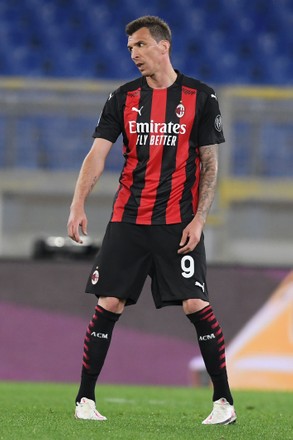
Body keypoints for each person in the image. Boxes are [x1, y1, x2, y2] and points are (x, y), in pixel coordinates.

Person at [67, 15, 236, 425]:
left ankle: (224, 403)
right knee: (110, 302)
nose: (134, 55)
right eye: (130, 48)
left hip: (178, 223)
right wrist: (77, 204)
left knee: (196, 303)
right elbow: (98, 154)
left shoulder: (201, 96)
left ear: (164, 46)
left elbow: (209, 164)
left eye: (140, 45)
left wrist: (199, 219)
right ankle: (84, 400)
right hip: (127, 220)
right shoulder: (122, 97)